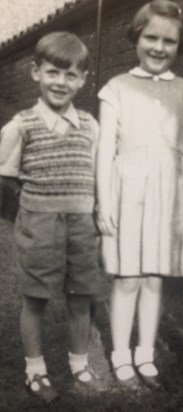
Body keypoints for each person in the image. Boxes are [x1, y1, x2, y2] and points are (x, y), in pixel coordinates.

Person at [96, 0, 183, 390]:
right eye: (151, 37)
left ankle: (145, 352)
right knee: (128, 278)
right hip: (128, 193)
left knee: (155, 279)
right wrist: (104, 202)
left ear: (180, 45)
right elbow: (105, 150)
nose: (159, 47)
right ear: (136, 38)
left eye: (169, 41)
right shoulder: (116, 89)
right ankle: (121, 355)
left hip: (170, 195)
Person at [0, 32, 105, 402]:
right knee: (35, 298)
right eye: (52, 72)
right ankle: (35, 370)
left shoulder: (91, 126)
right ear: (35, 73)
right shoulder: (21, 125)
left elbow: (98, 173)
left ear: (83, 79)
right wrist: (35, 207)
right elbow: (7, 175)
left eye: (71, 75)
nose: (61, 82)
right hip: (39, 222)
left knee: (81, 297)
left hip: (82, 224)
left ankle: (79, 364)